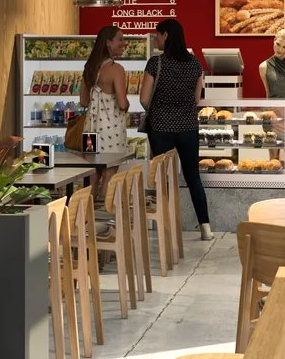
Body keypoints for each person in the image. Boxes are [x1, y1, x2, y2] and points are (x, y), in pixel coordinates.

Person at [140, 17, 212, 240]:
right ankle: (205, 228)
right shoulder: (195, 64)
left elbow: (144, 98)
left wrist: (160, 109)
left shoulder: (155, 63)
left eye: (158, 35)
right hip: (188, 126)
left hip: (160, 127)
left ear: (166, 35)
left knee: (163, 178)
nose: (156, 39)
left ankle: (166, 228)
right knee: (193, 177)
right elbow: (196, 99)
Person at [78, 24, 130, 157]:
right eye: (120, 39)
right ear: (108, 43)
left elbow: (83, 102)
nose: (123, 43)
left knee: (92, 172)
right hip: (111, 130)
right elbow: (122, 104)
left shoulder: (89, 67)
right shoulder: (116, 69)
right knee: (110, 172)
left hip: (89, 127)